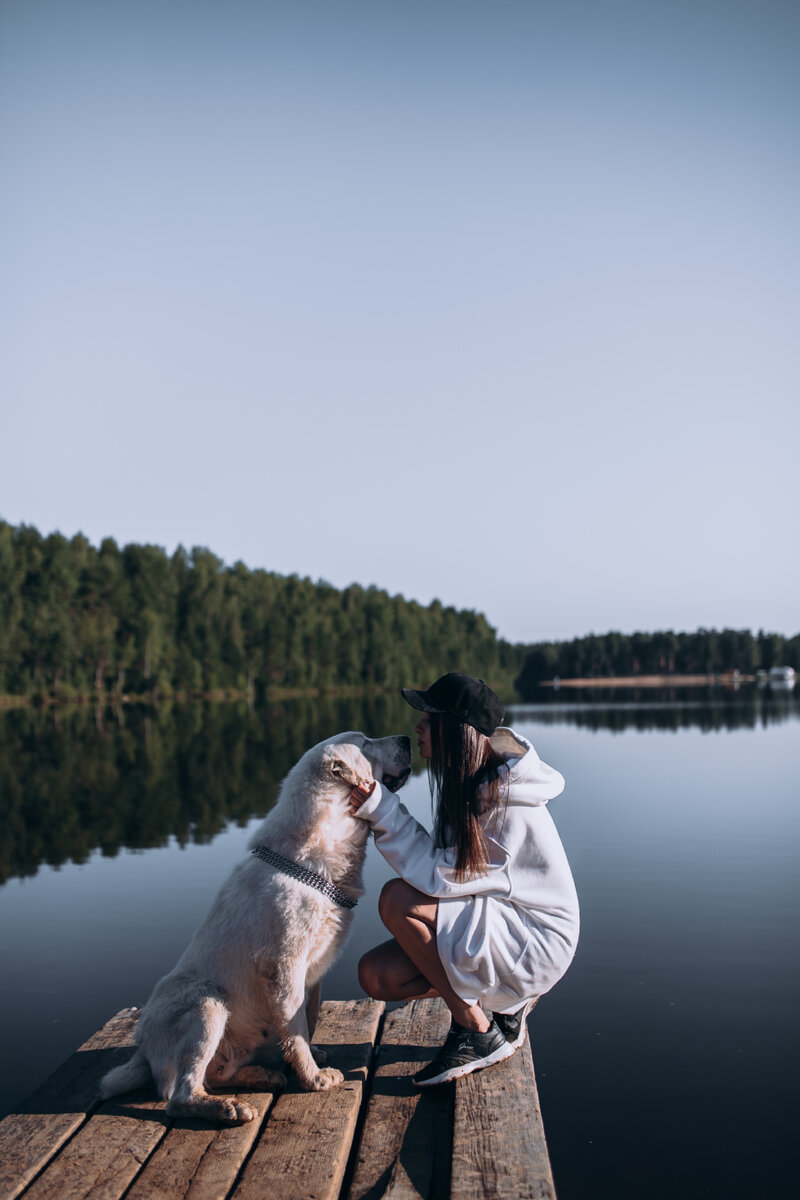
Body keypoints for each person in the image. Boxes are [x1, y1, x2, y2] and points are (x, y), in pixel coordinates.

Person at [349, 672, 579, 1086]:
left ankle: (476, 1029)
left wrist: (382, 809)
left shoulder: (509, 808)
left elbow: (438, 878)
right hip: (503, 922)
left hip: (537, 939)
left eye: (429, 720)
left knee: (396, 900)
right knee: (376, 975)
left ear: (457, 733)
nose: (417, 728)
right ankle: (508, 1006)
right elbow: (449, 872)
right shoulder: (475, 786)